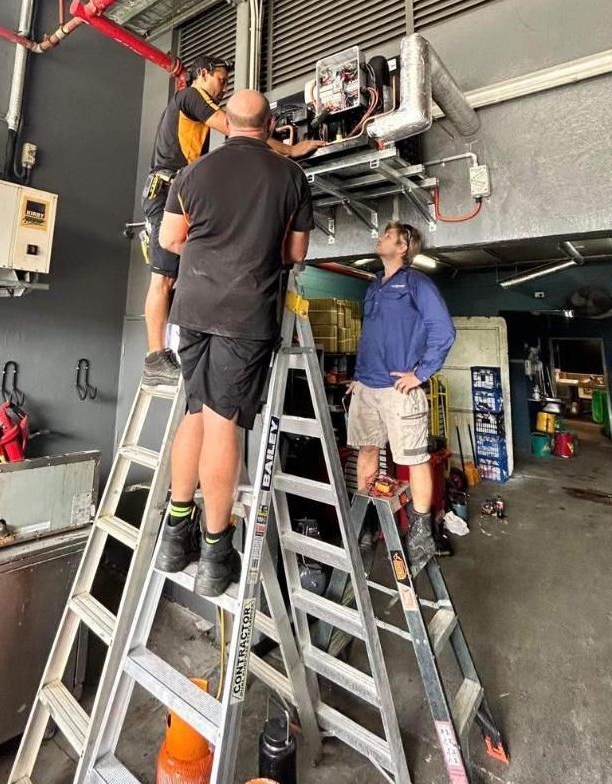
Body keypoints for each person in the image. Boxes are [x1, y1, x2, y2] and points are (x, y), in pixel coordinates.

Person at [152, 89, 313, 596]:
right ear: (268, 127)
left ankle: (175, 536)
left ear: (227, 125)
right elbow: (296, 252)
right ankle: (216, 551)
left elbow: (169, 240)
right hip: (246, 315)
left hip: (193, 310)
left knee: (195, 412)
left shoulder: (193, 173)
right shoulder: (290, 176)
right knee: (224, 424)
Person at [141, 56, 323, 387]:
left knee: (178, 276)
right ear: (203, 73)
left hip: (175, 190)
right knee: (163, 278)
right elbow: (237, 130)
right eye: (221, 79)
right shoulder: (191, 96)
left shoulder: (192, 104)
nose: (223, 87)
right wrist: (291, 151)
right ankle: (155, 357)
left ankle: (171, 345)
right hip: (165, 192)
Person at [349, 222, 456, 572]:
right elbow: (373, 336)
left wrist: (421, 373)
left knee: (413, 458)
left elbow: (443, 331)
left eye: (386, 235)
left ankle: (422, 533)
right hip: (367, 386)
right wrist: (358, 377)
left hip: (399, 390)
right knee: (367, 450)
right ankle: (365, 528)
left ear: (403, 246)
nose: (379, 238)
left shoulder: (417, 284)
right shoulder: (374, 286)